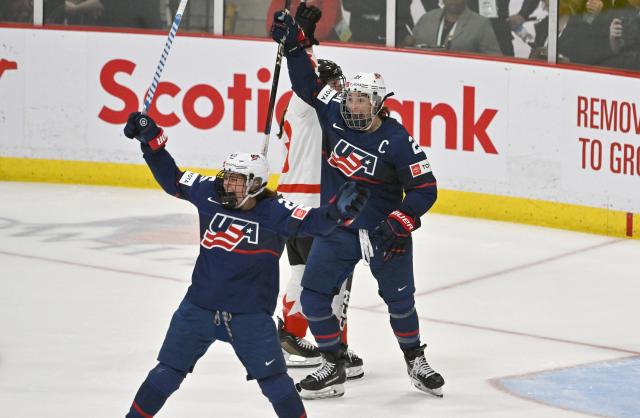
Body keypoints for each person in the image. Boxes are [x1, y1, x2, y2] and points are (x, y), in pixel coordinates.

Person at [122, 111, 369, 417]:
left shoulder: (275, 212)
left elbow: (314, 224)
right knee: (166, 373)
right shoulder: (209, 193)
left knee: (276, 384)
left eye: (237, 181)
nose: (228, 186)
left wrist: (336, 213)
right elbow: (172, 179)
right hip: (198, 308)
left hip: (250, 318)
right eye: (227, 178)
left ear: (255, 184)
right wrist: (152, 142)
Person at [271, 10, 445, 400]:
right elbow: (305, 82)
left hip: (384, 233)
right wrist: (296, 44)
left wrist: (402, 219)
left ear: (379, 104)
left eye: (361, 100)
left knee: (400, 301)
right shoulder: (334, 114)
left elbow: (425, 189)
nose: (352, 104)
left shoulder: (398, 140)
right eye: (349, 96)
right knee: (314, 295)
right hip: (337, 229)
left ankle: (415, 359)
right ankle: (332, 365)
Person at [274, 3, 364, 380]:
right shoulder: (309, 103)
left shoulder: (289, 105)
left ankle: (293, 335)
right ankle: (334, 347)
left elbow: (302, 79)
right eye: (334, 84)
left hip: (289, 202)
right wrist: (305, 41)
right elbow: (305, 78)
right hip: (314, 204)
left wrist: (303, 39)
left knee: (300, 272)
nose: (340, 92)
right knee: (334, 278)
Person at [411, 0, 503, 55]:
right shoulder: (427, 18)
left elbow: (495, 59)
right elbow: (410, 48)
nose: (453, 1)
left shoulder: (481, 24)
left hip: (464, 80)